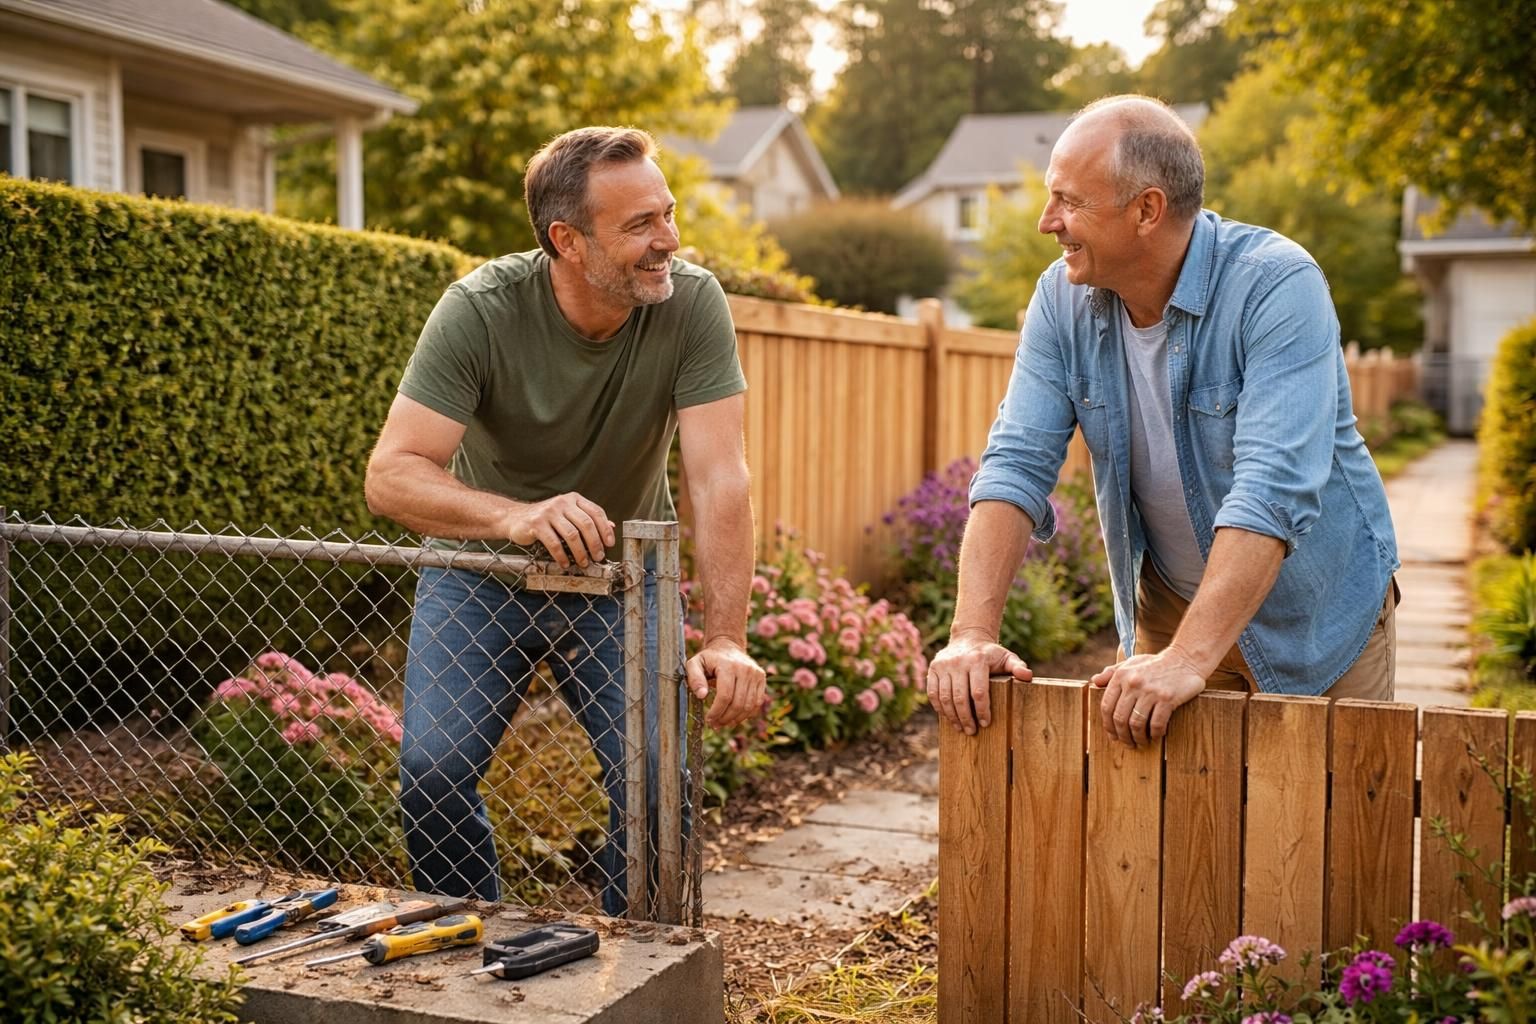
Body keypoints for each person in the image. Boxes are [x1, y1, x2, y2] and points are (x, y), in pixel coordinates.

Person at [364, 126, 766, 915]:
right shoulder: (479, 310)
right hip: (481, 575)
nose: (668, 241)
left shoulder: (691, 304)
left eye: (669, 214)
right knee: (434, 772)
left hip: (621, 583)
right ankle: (470, 947)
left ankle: (639, 958)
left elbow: (720, 476)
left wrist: (726, 636)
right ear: (567, 241)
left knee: (657, 782)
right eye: (640, 226)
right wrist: (517, 516)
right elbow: (392, 475)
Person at [927, 95, 1399, 748]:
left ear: (1147, 209)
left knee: (1319, 841)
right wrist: (971, 635)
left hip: (1316, 615)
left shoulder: (1275, 286)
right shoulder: (1060, 300)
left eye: (1069, 201)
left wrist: (1188, 660)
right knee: (1178, 843)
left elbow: (1273, 489)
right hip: (1173, 606)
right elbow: (1015, 464)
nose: (1046, 222)